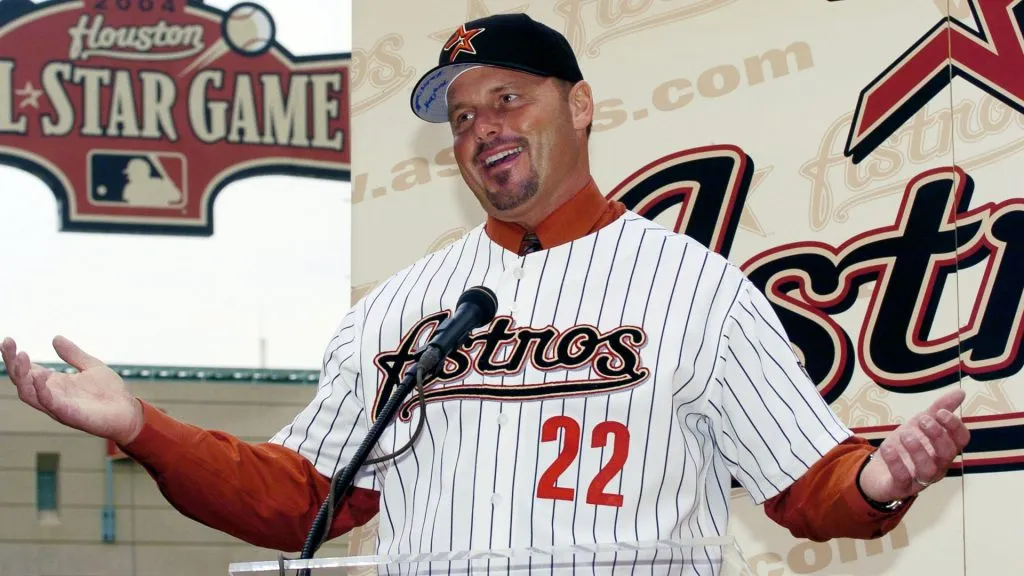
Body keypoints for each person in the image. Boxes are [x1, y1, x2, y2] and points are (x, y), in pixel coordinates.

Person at [3, 11, 969, 570]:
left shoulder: (696, 289)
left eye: (508, 97)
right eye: (461, 115)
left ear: (579, 106)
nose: (480, 127)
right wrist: (140, 426)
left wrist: (881, 478)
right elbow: (302, 498)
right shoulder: (398, 309)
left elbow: (809, 483)